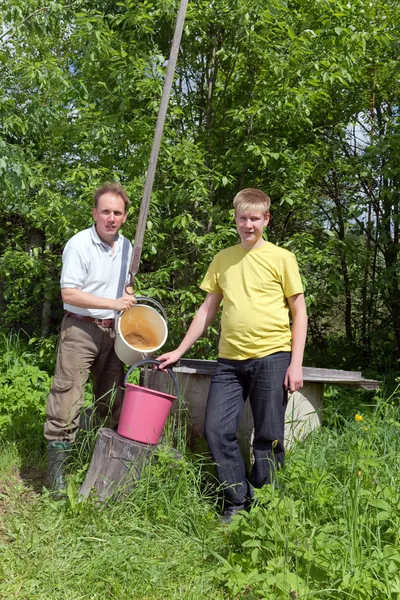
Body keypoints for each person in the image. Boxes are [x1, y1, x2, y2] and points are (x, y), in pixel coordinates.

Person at [158, 188, 307, 523]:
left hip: (273, 357)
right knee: (216, 429)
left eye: (255, 218)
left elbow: (300, 313)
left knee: (268, 437)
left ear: (266, 219)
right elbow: (206, 310)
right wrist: (180, 350)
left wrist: (295, 363)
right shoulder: (223, 259)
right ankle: (237, 500)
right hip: (229, 362)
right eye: (243, 218)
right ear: (235, 219)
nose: (248, 224)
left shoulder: (282, 258)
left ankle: (264, 503)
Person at [45, 182, 136, 496]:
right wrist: (113, 303)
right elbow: (68, 292)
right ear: (95, 213)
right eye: (106, 211)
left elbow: (122, 288)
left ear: (124, 216)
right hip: (81, 329)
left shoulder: (127, 247)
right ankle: (56, 480)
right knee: (67, 397)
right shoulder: (79, 244)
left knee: (112, 398)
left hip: (114, 332)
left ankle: (103, 468)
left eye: (118, 212)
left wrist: (126, 297)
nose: (111, 218)